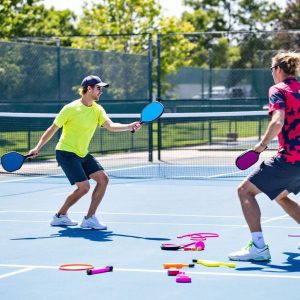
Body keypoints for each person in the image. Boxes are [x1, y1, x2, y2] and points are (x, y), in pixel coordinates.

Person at [28, 75, 142, 230]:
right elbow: (52, 129)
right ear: (89, 89)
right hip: (66, 152)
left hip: (82, 153)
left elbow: (110, 126)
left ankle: (89, 218)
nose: (101, 91)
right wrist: (37, 147)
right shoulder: (70, 108)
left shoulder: (97, 109)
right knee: (84, 187)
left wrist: (129, 126)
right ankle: (59, 216)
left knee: (103, 179)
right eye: (98, 88)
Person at [228, 52, 300, 261]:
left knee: (244, 191)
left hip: (290, 159)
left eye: (271, 70)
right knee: (280, 194)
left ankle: (258, 247)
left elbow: (277, 122)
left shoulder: (278, 90)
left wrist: (260, 147)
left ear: (278, 69)